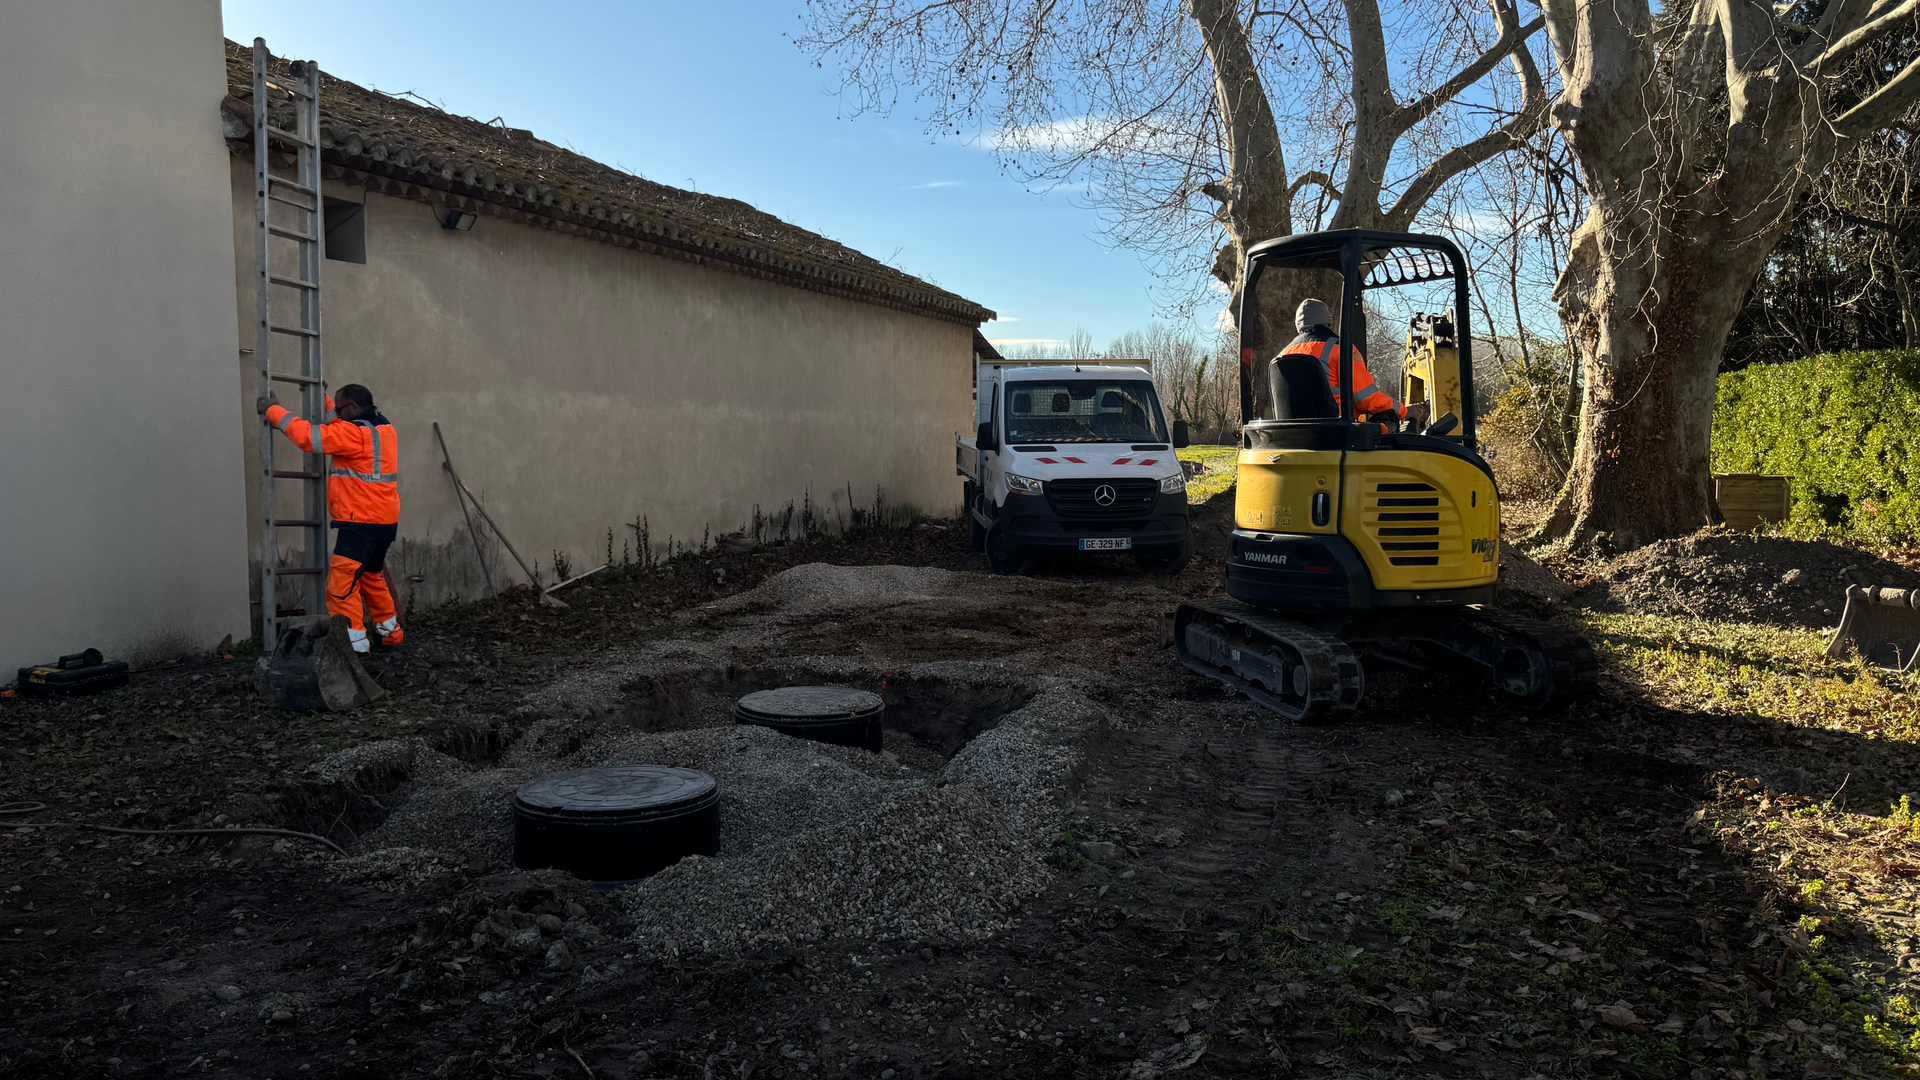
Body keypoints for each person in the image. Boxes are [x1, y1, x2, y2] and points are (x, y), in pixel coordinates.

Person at [255, 383, 402, 653]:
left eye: (340, 407)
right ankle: (391, 635)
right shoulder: (382, 428)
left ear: (355, 408)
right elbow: (338, 424)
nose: (336, 411)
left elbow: (308, 438)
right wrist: (319, 398)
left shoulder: (353, 433)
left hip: (360, 521)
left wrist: (272, 411)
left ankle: (353, 648)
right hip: (383, 520)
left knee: (341, 586)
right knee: (371, 578)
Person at [1278, 298, 1420, 430]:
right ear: (1329, 322)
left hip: (1292, 435)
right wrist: (1405, 411)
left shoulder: (1282, 354)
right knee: (1386, 424)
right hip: (1336, 433)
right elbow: (1366, 398)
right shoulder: (1340, 349)